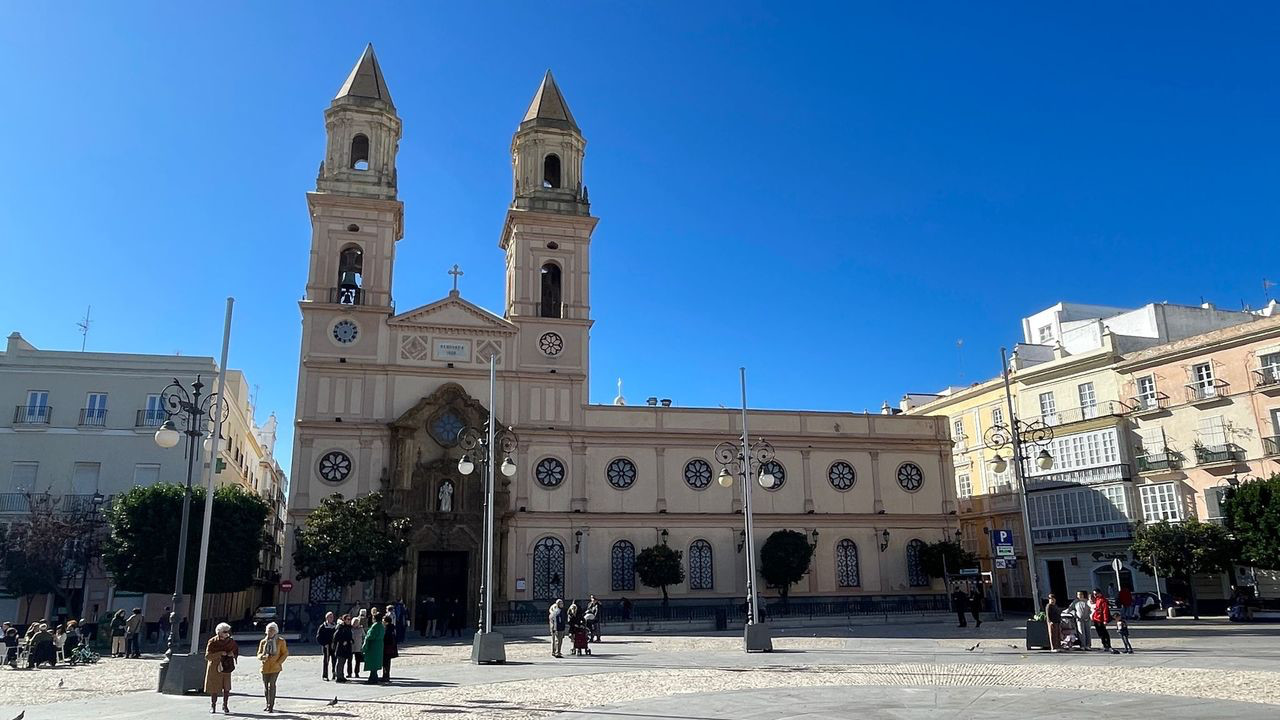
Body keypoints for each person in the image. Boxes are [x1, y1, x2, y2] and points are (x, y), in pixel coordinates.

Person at [204, 622, 239, 714]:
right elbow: (208, 656)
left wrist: (232, 654)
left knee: (226, 687)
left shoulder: (231, 641)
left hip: (227, 666)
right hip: (215, 667)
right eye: (224, 631)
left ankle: (225, 705)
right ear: (219, 632)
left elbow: (235, 651)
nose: (227, 633)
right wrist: (219, 653)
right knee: (214, 687)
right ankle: (213, 705)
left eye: (228, 631)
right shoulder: (212, 641)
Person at [256, 621, 288, 713]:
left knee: (271, 685)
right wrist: (262, 657)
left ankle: (271, 706)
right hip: (265, 666)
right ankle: (267, 703)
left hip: (275, 667)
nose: (270, 632)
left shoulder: (280, 641)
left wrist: (279, 662)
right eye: (269, 630)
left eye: (272, 630)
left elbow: (285, 653)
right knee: (266, 686)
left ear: (276, 631)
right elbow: (258, 653)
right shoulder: (263, 642)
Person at [1091, 589, 1119, 654]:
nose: (1095, 595)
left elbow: (1105, 611)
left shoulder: (1103, 600)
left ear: (1099, 593)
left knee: (1104, 633)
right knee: (1100, 633)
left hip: (1100, 619)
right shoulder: (1097, 599)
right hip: (1096, 618)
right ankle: (1104, 645)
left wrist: (1105, 620)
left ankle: (1108, 645)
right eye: (1094, 594)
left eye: (1096, 594)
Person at [361, 608, 384, 684]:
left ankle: (373, 678)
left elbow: (370, 635)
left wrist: (366, 638)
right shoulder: (382, 626)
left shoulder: (375, 626)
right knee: (376, 662)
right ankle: (373, 677)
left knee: (373, 662)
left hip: (373, 646)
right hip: (379, 645)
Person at [316, 611, 338, 681]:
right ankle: (325, 675)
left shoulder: (335, 626)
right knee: (326, 661)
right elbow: (318, 637)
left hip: (333, 646)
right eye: (330, 617)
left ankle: (334, 673)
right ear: (327, 618)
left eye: (332, 617)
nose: (332, 618)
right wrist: (324, 644)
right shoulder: (322, 626)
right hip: (326, 647)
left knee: (334, 660)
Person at [333, 614, 353, 682]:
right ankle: (338, 677)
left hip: (347, 648)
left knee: (343, 662)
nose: (349, 621)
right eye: (348, 619)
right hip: (341, 648)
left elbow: (349, 636)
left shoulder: (349, 627)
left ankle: (342, 676)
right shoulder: (341, 627)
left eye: (350, 619)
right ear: (344, 620)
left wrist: (351, 640)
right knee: (340, 662)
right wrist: (342, 641)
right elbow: (335, 637)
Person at [381, 613, 398, 683]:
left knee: (386, 662)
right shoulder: (392, 628)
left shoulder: (388, 629)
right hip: (391, 647)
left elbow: (386, 638)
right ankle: (386, 675)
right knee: (387, 662)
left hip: (387, 647)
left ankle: (386, 676)